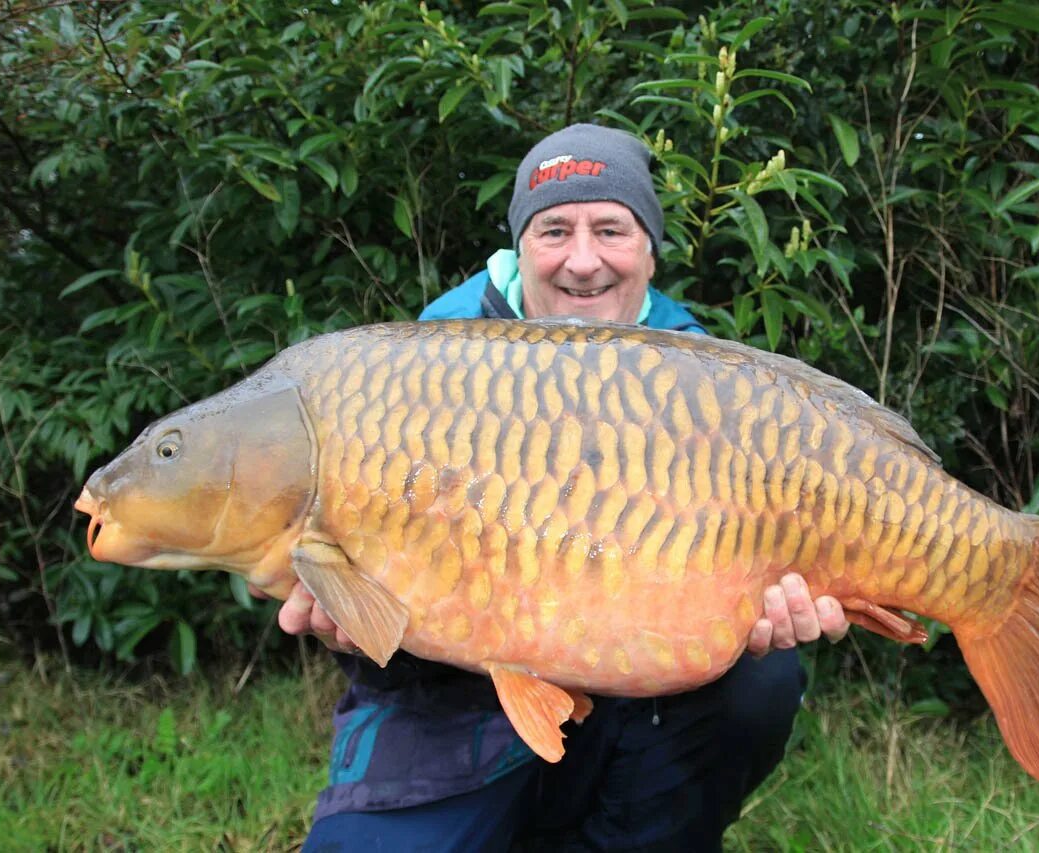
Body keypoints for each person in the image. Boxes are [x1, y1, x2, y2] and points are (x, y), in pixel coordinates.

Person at [269, 124, 849, 851]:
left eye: (610, 228)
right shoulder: (418, 365)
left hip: (637, 709)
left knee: (762, 677)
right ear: (520, 247)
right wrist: (350, 626)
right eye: (554, 231)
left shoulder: (710, 381)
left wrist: (776, 611)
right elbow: (380, 596)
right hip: (448, 711)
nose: (583, 261)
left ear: (649, 249)